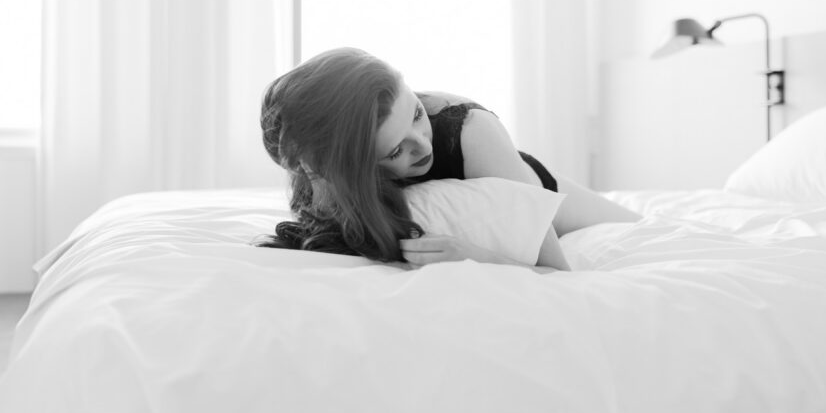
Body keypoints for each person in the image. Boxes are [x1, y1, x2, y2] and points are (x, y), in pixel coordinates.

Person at [259, 47, 640, 270]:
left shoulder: (469, 129)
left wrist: (474, 257)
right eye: (395, 151)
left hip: (534, 181)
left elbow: (556, 272)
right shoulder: (324, 168)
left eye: (416, 114)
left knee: (640, 228)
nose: (422, 146)